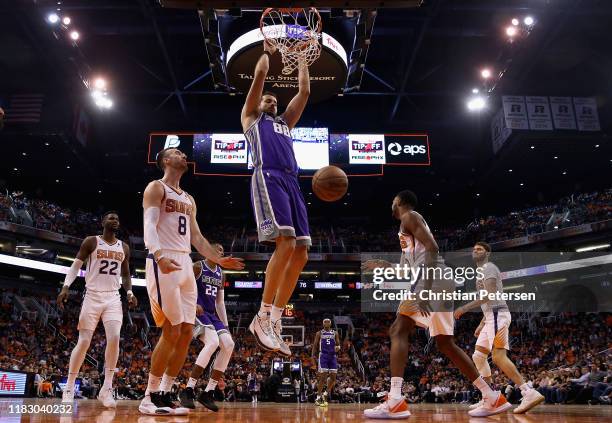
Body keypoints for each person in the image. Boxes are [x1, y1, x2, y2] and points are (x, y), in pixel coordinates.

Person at [362, 190, 511, 419]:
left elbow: (433, 248)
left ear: (400, 202)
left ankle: (394, 400)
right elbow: (407, 267)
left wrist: (425, 288)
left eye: (393, 201)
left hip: (430, 280)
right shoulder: (406, 228)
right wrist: (384, 265)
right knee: (445, 344)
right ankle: (492, 397)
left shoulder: (409, 216)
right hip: (438, 280)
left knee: (398, 329)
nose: (391, 204)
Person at [139, 147, 244, 416]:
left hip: (185, 260)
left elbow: (196, 238)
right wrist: (159, 255)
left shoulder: (189, 198)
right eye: (177, 152)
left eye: (183, 153)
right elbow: (149, 225)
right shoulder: (156, 187)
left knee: (186, 332)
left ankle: (165, 391)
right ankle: (148, 396)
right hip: (164, 259)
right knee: (171, 330)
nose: (183, 155)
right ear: (164, 161)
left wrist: (218, 260)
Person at [241, 40, 311, 356]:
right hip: (268, 176)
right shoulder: (252, 119)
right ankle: (262, 314)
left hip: (292, 182)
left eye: (274, 99)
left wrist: (302, 59)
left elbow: (304, 93)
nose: (271, 101)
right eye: (267, 99)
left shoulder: (284, 123)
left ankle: (277, 317)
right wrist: (264, 61)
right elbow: (258, 79)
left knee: (302, 253)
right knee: (285, 242)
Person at [57, 211, 137, 408]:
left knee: (115, 338)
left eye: (117, 218)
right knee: (84, 341)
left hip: (113, 297)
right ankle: (69, 387)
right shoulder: (91, 242)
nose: (115, 221)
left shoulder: (124, 247)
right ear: (103, 222)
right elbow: (76, 266)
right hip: (92, 295)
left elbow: (125, 275)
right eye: (111, 218)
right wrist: (66, 286)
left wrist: (129, 293)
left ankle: (106, 388)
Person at [454, 242, 544, 413]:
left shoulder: (489, 267)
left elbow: (489, 295)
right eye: (473, 249)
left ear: (487, 253)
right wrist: (482, 323)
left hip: (497, 315)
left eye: (479, 249)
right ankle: (490, 396)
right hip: (490, 317)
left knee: (498, 357)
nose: (475, 251)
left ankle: (528, 391)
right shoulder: (480, 272)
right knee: (479, 356)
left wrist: (464, 308)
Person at [179, 245, 235, 412]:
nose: (220, 252)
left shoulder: (220, 272)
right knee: (212, 343)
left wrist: (225, 325)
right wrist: (192, 302)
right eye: (217, 249)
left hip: (211, 314)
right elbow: (181, 287)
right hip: (196, 310)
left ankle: (208, 392)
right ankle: (188, 390)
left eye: (222, 251)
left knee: (228, 344)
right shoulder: (198, 266)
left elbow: (220, 302)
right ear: (207, 251)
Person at [312, 318, 341, 406]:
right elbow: (315, 345)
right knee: (323, 377)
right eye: (325, 321)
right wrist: (313, 355)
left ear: (331, 323)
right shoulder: (319, 333)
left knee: (333, 378)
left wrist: (338, 348)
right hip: (323, 355)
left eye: (328, 322)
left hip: (332, 356)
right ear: (323, 323)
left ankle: (325, 393)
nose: (327, 323)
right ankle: (318, 397)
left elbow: (338, 344)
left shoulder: (335, 333)